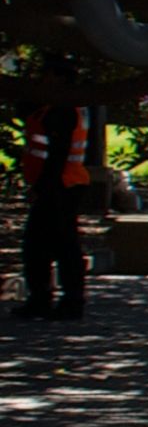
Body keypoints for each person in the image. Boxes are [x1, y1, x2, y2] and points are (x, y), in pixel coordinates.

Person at [16, 96, 88, 319]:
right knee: (46, 245)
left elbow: (57, 154)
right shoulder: (56, 109)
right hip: (64, 184)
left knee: (55, 245)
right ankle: (50, 299)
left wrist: (41, 187)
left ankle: (63, 301)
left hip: (60, 186)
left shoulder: (61, 111)